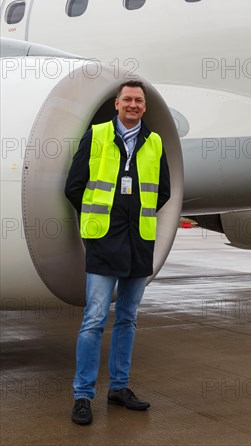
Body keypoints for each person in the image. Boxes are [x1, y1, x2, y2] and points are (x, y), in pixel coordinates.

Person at [65, 80, 170, 425]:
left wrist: (135, 214)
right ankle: (83, 395)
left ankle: (119, 388)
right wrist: (99, 224)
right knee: (94, 319)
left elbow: (163, 191)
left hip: (139, 242)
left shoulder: (154, 142)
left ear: (144, 106)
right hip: (103, 242)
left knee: (128, 318)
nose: (133, 105)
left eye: (139, 100)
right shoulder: (96, 136)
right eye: (127, 99)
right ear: (116, 104)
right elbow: (74, 186)